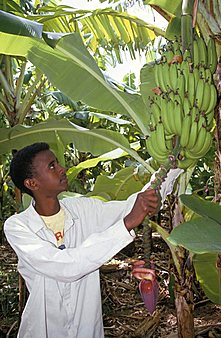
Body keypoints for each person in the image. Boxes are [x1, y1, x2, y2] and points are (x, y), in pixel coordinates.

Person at [4, 142, 182, 338]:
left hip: (86, 328)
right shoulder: (18, 226)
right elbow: (65, 267)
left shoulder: (82, 209)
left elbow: (132, 206)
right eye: (52, 166)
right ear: (32, 183)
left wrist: (172, 168)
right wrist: (127, 224)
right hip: (43, 330)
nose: (62, 169)